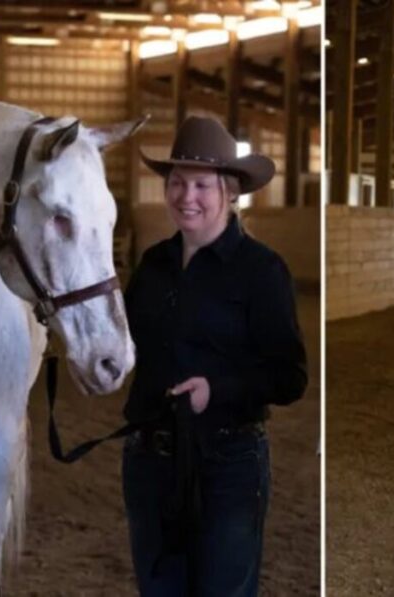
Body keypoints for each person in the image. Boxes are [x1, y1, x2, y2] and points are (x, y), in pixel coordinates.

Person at [122, 116, 309, 596]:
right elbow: (125, 345)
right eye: (177, 182)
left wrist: (218, 390)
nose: (187, 196)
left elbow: (291, 376)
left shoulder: (262, 271)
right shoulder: (153, 265)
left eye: (202, 185)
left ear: (230, 192)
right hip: (150, 461)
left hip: (228, 463)